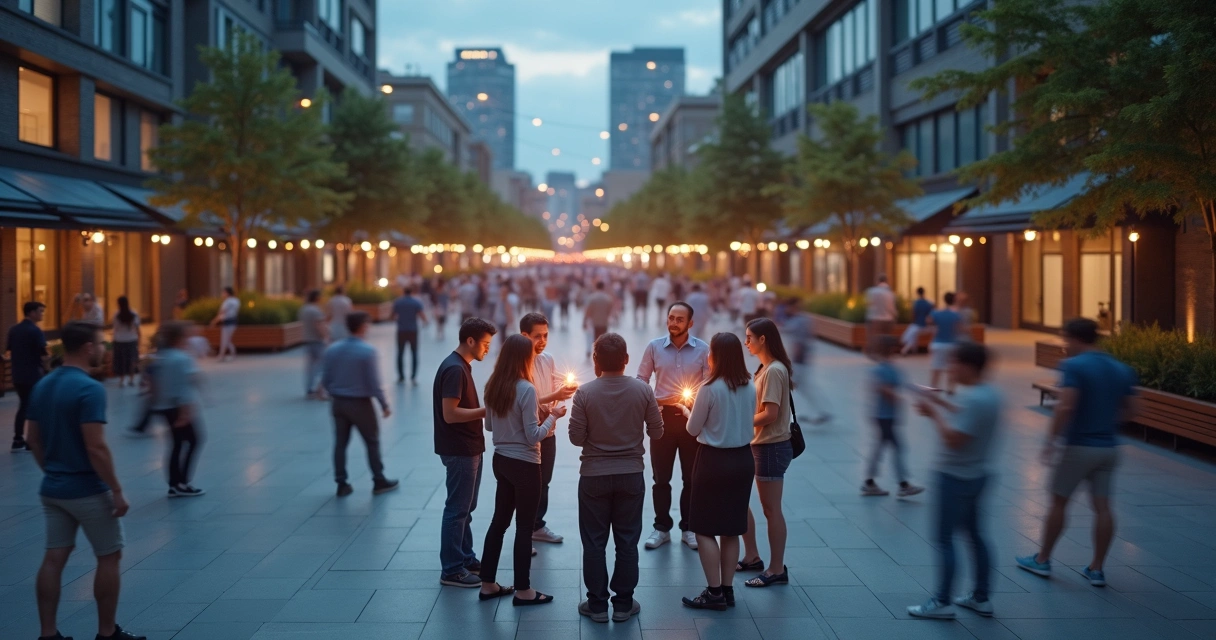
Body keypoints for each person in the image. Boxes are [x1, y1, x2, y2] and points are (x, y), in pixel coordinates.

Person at [24, 321, 146, 640]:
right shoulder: (89, 388)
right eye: (102, 344)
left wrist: (51, 470)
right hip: (88, 490)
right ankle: (107, 633)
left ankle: (47, 634)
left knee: (53, 559)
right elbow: (96, 446)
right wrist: (117, 490)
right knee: (109, 556)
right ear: (89, 348)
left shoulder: (43, 385)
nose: (105, 350)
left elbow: (32, 438)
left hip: (53, 489)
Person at [1016, 317, 1138, 588]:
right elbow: (1132, 410)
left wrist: (1050, 441)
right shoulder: (1121, 369)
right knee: (1103, 507)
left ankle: (1043, 559)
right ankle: (1096, 569)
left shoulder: (1074, 366)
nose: (1064, 345)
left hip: (1078, 446)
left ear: (1076, 338)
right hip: (1108, 448)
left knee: (1059, 502)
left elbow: (1065, 407)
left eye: (1065, 339)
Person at [570, 333, 664, 623]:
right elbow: (657, 432)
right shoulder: (643, 391)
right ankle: (623, 604)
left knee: (594, 543)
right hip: (631, 475)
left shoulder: (584, 393)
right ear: (626, 360)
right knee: (627, 541)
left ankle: (597, 605)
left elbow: (575, 438)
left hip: (594, 477)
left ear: (595, 360)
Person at [907, 342, 1002, 619]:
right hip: (977, 474)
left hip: (954, 476)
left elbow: (954, 438)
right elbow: (965, 417)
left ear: (968, 366)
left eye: (953, 362)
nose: (949, 368)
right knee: (975, 536)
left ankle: (942, 601)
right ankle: (981, 597)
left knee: (944, 539)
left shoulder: (974, 398)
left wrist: (933, 412)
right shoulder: (988, 394)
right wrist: (938, 401)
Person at [476, 335, 564, 606]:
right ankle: (524, 590)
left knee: (499, 523)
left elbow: (489, 426)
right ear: (525, 359)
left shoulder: (493, 385)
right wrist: (554, 415)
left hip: (501, 461)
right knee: (524, 527)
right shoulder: (527, 389)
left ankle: (488, 584)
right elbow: (533, 436)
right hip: (525, 464)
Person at [679, 333, 756, 611]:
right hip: (743, 460)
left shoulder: (709, 388)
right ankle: (727, 590)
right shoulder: (749, 385)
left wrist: (688, 411)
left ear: (715, 356)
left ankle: (713, 593)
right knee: (731, 528)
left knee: (703, 528)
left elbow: (693, 430)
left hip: (713, 461)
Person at [637, 302, 709, 552]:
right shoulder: (655, 347)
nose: (673, 323)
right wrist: (651, 403)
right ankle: (661, 528)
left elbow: (709, 383)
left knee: (692, 478)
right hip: (662, 419)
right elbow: (641, 379)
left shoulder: (703, 349)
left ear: (690, 323)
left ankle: (689, 527)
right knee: (660, 478)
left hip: (692, 418)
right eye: (671, 317)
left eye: (680, 319)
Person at [435, 318, 497, 587]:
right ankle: (451, 569)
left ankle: (466, 558)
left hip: (468, 446)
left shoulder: (461, 366)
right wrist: (488, 411)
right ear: (470, 341)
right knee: (457, 509)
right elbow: (450, 414)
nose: (487, 349)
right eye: (484, 344)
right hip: (460, 449)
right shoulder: (455, 369)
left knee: (466, 508)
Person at [737, 318, 794, 587]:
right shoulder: (764, 368)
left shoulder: (773, 370)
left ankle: (775, 569)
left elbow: (770, 414)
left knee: (771, 510)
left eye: (749, 337)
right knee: (741, 501)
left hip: (771, 447)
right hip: (759, 444)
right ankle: (752, 556)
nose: (746, 342)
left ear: (763, 339)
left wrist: (740, 419)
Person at [320, 312, 399, 498]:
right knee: (372, 441)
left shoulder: (332, 350)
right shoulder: (367, 351)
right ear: (363, 326)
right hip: (360, 403)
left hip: (338, 402)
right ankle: (378, 479)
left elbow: (325, 379)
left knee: (340, 443)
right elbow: (374, 382)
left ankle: (341, 482)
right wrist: (384, 404)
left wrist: (336, 391)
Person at [520, 313, 577, 545]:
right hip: (526, 436)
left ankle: (537, 524)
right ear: (524, 336)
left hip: (548, 431)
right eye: (537, 336)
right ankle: (524, 530)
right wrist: (552, 399)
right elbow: (522, 400)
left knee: (545, 480)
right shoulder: (517, 364)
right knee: (528, 483)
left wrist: (555, 406)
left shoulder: (548, 359)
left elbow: (556, 390)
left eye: (545, 335)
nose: (542, 341)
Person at [861, 336, 923, 498]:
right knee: (897, 448)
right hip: (884, 417)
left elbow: (906, 384)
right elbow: (880, 388)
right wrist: (895, 396)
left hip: (888, 416)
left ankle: (870, 482)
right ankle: (903, 484)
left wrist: (924, 391)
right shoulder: (882, 369)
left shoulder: (891, 368)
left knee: (881, 448)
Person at [151, 322, 205, 498]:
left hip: (165, 406)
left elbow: (152, 382)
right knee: (194, 440)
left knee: (176, 443)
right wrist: (185, 412)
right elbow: (185, 388)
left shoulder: (161, 357)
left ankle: (175, 483)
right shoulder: (182, 358)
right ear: (179, 338)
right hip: (178, 407)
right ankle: (182, 482)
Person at [7, 301, 48, 451]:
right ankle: (33, 439)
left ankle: (18, 438)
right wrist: (48, 369)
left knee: (24, 405)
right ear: (31, 313)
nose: (42, 314)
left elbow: (10, 351)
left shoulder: (14, 330)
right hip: (33, 375)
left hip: (17, 375)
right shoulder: (36, 331)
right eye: (40, 311)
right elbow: (43, 355)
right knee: (35, 406)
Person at [391, 287, 428, 385]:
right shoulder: (416, 302)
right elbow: (422, 314)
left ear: (403, 292)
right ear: (411, 292)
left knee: (400, 353)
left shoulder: (398, 302)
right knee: (414, 353)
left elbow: (392, 315)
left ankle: (401, 376)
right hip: (413, 330)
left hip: (401, 330)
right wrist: (426, 322)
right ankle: (413, 376)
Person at [928, 292, 963, 393]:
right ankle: (951, 389)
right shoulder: (956, 315)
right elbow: (959, 330)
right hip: (951, 344)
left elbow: (929, 321)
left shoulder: (936, 313)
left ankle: (933, 387)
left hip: (938, 343)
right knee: (951, 368)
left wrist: (935, 327)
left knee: (936, 367)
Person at [300, 290, 328, 399]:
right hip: (317, 341)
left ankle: (309, 389)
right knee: (320, 366)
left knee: (310, 366)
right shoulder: (315, 311)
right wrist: (326, 337)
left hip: (307, 340)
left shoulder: (304, 309)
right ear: (317, 298)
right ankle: (319, 389)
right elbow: (319, 325)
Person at [111, 296, 141, 387]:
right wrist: (139, 340)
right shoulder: (134, 314)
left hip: (119, 340)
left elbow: (115, 329)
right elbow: (137, 329)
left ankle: (122, 380)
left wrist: (113, 339)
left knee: (121, 360)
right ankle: (131, 379)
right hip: (131, 339)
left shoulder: (116, 315)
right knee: (131, 360)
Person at [865, 274, 897, 348]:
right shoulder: (891, 293)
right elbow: (892, 308)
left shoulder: (871, 291)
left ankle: (874, 350)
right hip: (888, 319)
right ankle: (884, 352)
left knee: (874, 337)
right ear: (886, 281)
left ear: (877, 281)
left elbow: (868, 305)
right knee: (886, 337)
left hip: (874, 319)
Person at [582, 282, 615, 353]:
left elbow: (587, 311)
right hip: (604, 323)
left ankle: (590, 351)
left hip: (594, 323)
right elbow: (610, 312)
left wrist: (584, 321)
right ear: (603, 287)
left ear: (596, 287)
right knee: (602, 340)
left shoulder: (592, 298)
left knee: (592, 339)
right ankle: (602, 353)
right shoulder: (608, 298)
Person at [901, 287, 935, 355]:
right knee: (913, 335)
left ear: (917, 293)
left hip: (918, 325)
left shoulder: (916, 303)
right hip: (927, 326)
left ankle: (906, 350)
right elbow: (932, 315)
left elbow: (913, 314)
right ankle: (915, 350)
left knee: (910, 334)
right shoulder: (928, 303)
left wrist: (912, 321)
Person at [210, 286, 239, 362]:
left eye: (223, 292)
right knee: (228, 340)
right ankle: (232, 354)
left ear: (227, 293)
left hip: (227, 322)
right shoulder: (236, 301)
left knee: (224, 340)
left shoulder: (227, 302)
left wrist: (214, 321)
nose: (222, 294)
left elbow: (222, 312)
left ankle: (221, 355)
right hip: (233, 322)